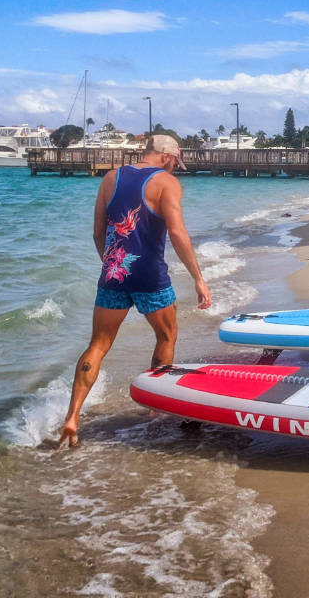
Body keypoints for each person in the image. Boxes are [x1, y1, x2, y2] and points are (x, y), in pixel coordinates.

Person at [60, 134, 211, 447]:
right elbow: (177, 232)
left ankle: (72, 417)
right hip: (149, 276)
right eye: (175, 161)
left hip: (113, 274)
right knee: (166, 336)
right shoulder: (167, 182)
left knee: (98, 345)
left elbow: (97, 233)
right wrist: (198, 277)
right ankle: (156, 409)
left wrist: (111, 264)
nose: (175, 167)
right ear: (166, 156)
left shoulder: (110, 178)